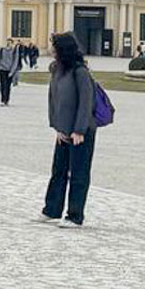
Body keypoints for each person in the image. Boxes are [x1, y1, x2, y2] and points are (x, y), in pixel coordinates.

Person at [38, 32, 96, 225]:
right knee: (58, 170)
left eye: (55, 47)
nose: (52, 50)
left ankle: (75, 215)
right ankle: (52, 210)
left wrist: (79, 129)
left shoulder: (80, 72)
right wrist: (57, 127)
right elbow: (53, 100)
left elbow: (86, 102)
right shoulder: (57, 70)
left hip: (81, 131)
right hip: (63, 130)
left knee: (78, 173)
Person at [0, 40, 21, 105]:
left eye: (10, 43)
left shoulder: (14, 51)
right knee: (3, 85)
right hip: (2, 69)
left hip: (9, 70)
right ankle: (3, 99)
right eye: (7, 42)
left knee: (8, 86)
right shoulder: (2, 50)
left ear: (12, 44)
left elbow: (15, 61)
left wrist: (12, 71)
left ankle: (6, 100)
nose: (8, 44)